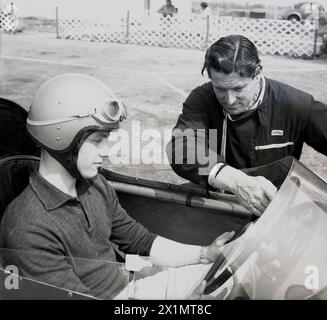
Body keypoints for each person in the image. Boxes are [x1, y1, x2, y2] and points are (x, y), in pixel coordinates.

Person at [0, 73, 234, 300]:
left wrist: (205, 253)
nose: (105, 150)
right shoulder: (27, 228)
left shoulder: (95, 184)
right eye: (96, 140)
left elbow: (140, 241)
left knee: (234, 274)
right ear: (60, 138)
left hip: (131, 283)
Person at [167, 34, 327, 216]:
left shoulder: (295, 104)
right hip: (219, 206)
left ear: (258, 73)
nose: (229, 99)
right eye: (219, 88)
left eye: (238, 88)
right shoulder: (202, 99)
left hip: (273, 213)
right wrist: (235, 181)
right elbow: (181, 148)